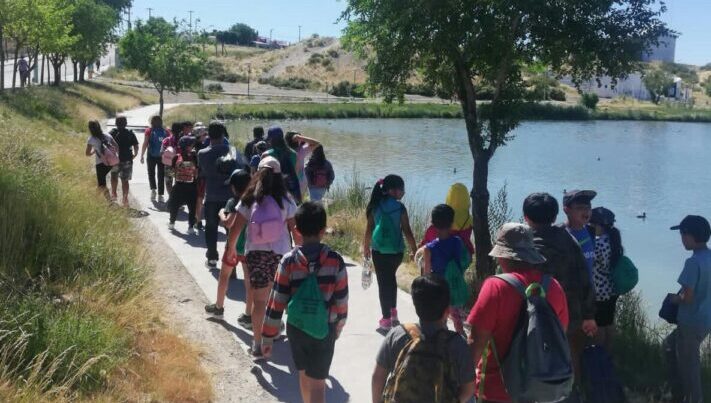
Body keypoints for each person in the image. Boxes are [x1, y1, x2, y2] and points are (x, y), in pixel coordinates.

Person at [467, 223, 569, 403]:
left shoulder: (495, 287)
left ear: (503, 257)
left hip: (495, 391)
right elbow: (560, 335)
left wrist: (463, 386)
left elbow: (476, 342)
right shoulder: (554, 287)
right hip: (540, 391)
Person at [262, 201, 348, 403]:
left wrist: (267, 336)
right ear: (323, 230)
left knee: (302, 375)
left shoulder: (288, 261)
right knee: (318, 384)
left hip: (297, 328)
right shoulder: (335, 261)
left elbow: (277, 301)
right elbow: (341, 298)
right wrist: (339, 323)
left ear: (297, 230)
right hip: (324, 328)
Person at [223, 156, 300, 357]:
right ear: (279, 175)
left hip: (256, 254)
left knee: (259, 302)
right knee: (278, 299)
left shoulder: (248, 199)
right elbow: (295, 230)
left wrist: (230, 249)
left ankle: (257, 344)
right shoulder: (287, 200)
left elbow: (235, 228)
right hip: (280, 256)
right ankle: (273, 332)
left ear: (257, 173)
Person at [522, 192, 596, 397]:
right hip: (571, 314)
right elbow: (585, 278)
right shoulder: (569, 240)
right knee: (568, 359)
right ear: (555, 217)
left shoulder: (527, 247)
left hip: (537, 320)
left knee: (536, 362)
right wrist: (589, 314)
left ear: (526, 218)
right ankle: (569, 392)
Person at [372, 274, 475, 403]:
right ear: (447, 311)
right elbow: (469, 389)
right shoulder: (457, 345)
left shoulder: (398, 335)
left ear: (416, 307)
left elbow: (378, 378)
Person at [665, 215, 711, 403]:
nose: (682, 239)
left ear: (691, 237)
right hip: (706, 319)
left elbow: (687, 297)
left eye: (683, 235)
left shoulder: (692, 263)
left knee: (689, 367)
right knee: (668, 346)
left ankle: (694, 399)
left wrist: (673, 299)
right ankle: (677, 392)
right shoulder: (708, 257)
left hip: (691, 322)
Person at [363, 175, 418, 330]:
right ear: (393, 191)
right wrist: (414, 250)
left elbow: (369, 229)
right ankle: (393, 314)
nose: (404, 192)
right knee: (391, 279)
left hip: (379, 251)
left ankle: (386, 318)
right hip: (396, 251)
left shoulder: (376, 206)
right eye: (402, 189)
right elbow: (407, 231)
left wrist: (366, 247)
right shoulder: (400, 208)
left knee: (383, 283)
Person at [204, 169, 253, 324]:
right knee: (248, 281)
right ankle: (248, 315)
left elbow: (228, 222)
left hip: (232, 246)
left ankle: (219, 308)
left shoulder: (233, 202)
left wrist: (220, 213)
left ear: (233, 187)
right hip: (249, 247)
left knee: (224, 276)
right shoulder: (254, 202)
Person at [417, 204, 470, 334]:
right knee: (457, 321)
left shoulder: (429, 248)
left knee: (441, 321)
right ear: (452, 223)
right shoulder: (458, 242)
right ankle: (462, 344)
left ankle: (442, 343)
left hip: (439, 290)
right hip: (455, 287)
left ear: (433, 224)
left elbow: (428, 274)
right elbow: (466, 261)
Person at [197, 121, 232, 270]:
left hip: (211, 195)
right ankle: (231, 261)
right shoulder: (232, 151)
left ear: (208, 136)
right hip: (229, 197)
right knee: (231, 230)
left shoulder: (202, 153)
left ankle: (212, 257)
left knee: (211, 228)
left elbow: (203, 172)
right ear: (223, 134)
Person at [589, 207, 624, 351]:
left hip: (600, 290)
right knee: (609, 322)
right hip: (612, 289)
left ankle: (599, 353)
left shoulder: (598, 243)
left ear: (598, 225)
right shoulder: (613, 239)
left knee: (600, 325)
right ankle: (609, 354)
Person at [420, 183, 475, 255]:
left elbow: (428, 241)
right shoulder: (470, 220)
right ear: (466, 198)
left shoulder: (443, 218)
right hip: (462, 255)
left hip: (443, 256)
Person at [562, 189, 597, 279]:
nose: (586, 211)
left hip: (588, 290)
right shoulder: (560, 233)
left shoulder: (591, 231)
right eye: (580, 208)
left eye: (588, 207)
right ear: (566, 210)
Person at [168, 136, 198, 234]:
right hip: (191, 186)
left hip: (179, 186)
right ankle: (190, 227)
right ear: (187, 146)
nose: (192, 146)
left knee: (174, 205)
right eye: (191, 145)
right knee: (192, 208)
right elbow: (197, 171)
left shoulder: (176, 157)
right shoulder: (194, 156)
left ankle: (172, 223)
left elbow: (172, 171)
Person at [264, 127, 301, 203]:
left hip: (273, 193)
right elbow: (296, 173)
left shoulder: (266, 155)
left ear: (271, 140)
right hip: (290, 192)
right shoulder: (294, 154)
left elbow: (263, 177)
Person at [109, 116, 139, 207]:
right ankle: (125, 199)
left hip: (114, 160)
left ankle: (114, 194)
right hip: (127, 160)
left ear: (116, 123)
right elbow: (136, 145)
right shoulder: (130, 133)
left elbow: (106, 144)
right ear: (126, 123)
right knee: (125, 180)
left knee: (114, 177)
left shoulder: (112, 133)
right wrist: (135, 154)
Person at [85, 120, 119, 198]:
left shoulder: (91, 139)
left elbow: (87, 154)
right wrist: (112, 155)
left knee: (101, 184)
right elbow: (117, 146)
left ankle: (108, 202)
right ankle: (97, 199)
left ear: (90, 129)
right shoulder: (107, 135)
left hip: (100, 163)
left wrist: (94, 151)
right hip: (112, 162)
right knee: (101, 183)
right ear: (99, 126)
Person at [285, 131, 321, 203]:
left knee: (289, 204)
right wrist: (300, 137)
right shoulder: (302, 150)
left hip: (288, 183)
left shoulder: (284, 151)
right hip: (301, 183)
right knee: (298, 203)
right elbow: (317, 143)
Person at [140, 115, 170, 202]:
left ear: (152, 122)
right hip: (162, 156)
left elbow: (145, 143)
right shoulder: (166, 131)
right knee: (161, 175)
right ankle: (160, 195)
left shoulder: (149, 130)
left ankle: (153, 190)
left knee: (151, 173)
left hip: (151, 155)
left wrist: (142, 155)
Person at [193, 124, 208, 231]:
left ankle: (195, 218)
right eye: (204, 134)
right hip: (200, 177)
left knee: (194, 198)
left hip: (191, 176)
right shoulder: (202, 148)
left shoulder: (191, 145)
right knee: (199, 198)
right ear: (200, 135)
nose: (206, 136)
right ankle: (198, 220)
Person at [161, 122, 183, 197]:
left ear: (172, 130)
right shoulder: (184, 141)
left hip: (169, 165)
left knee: (168, 182)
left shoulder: (167, 140)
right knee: (179, 183)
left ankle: (171, 198)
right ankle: (177, 199)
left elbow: (161, 152)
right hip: (181, 165)